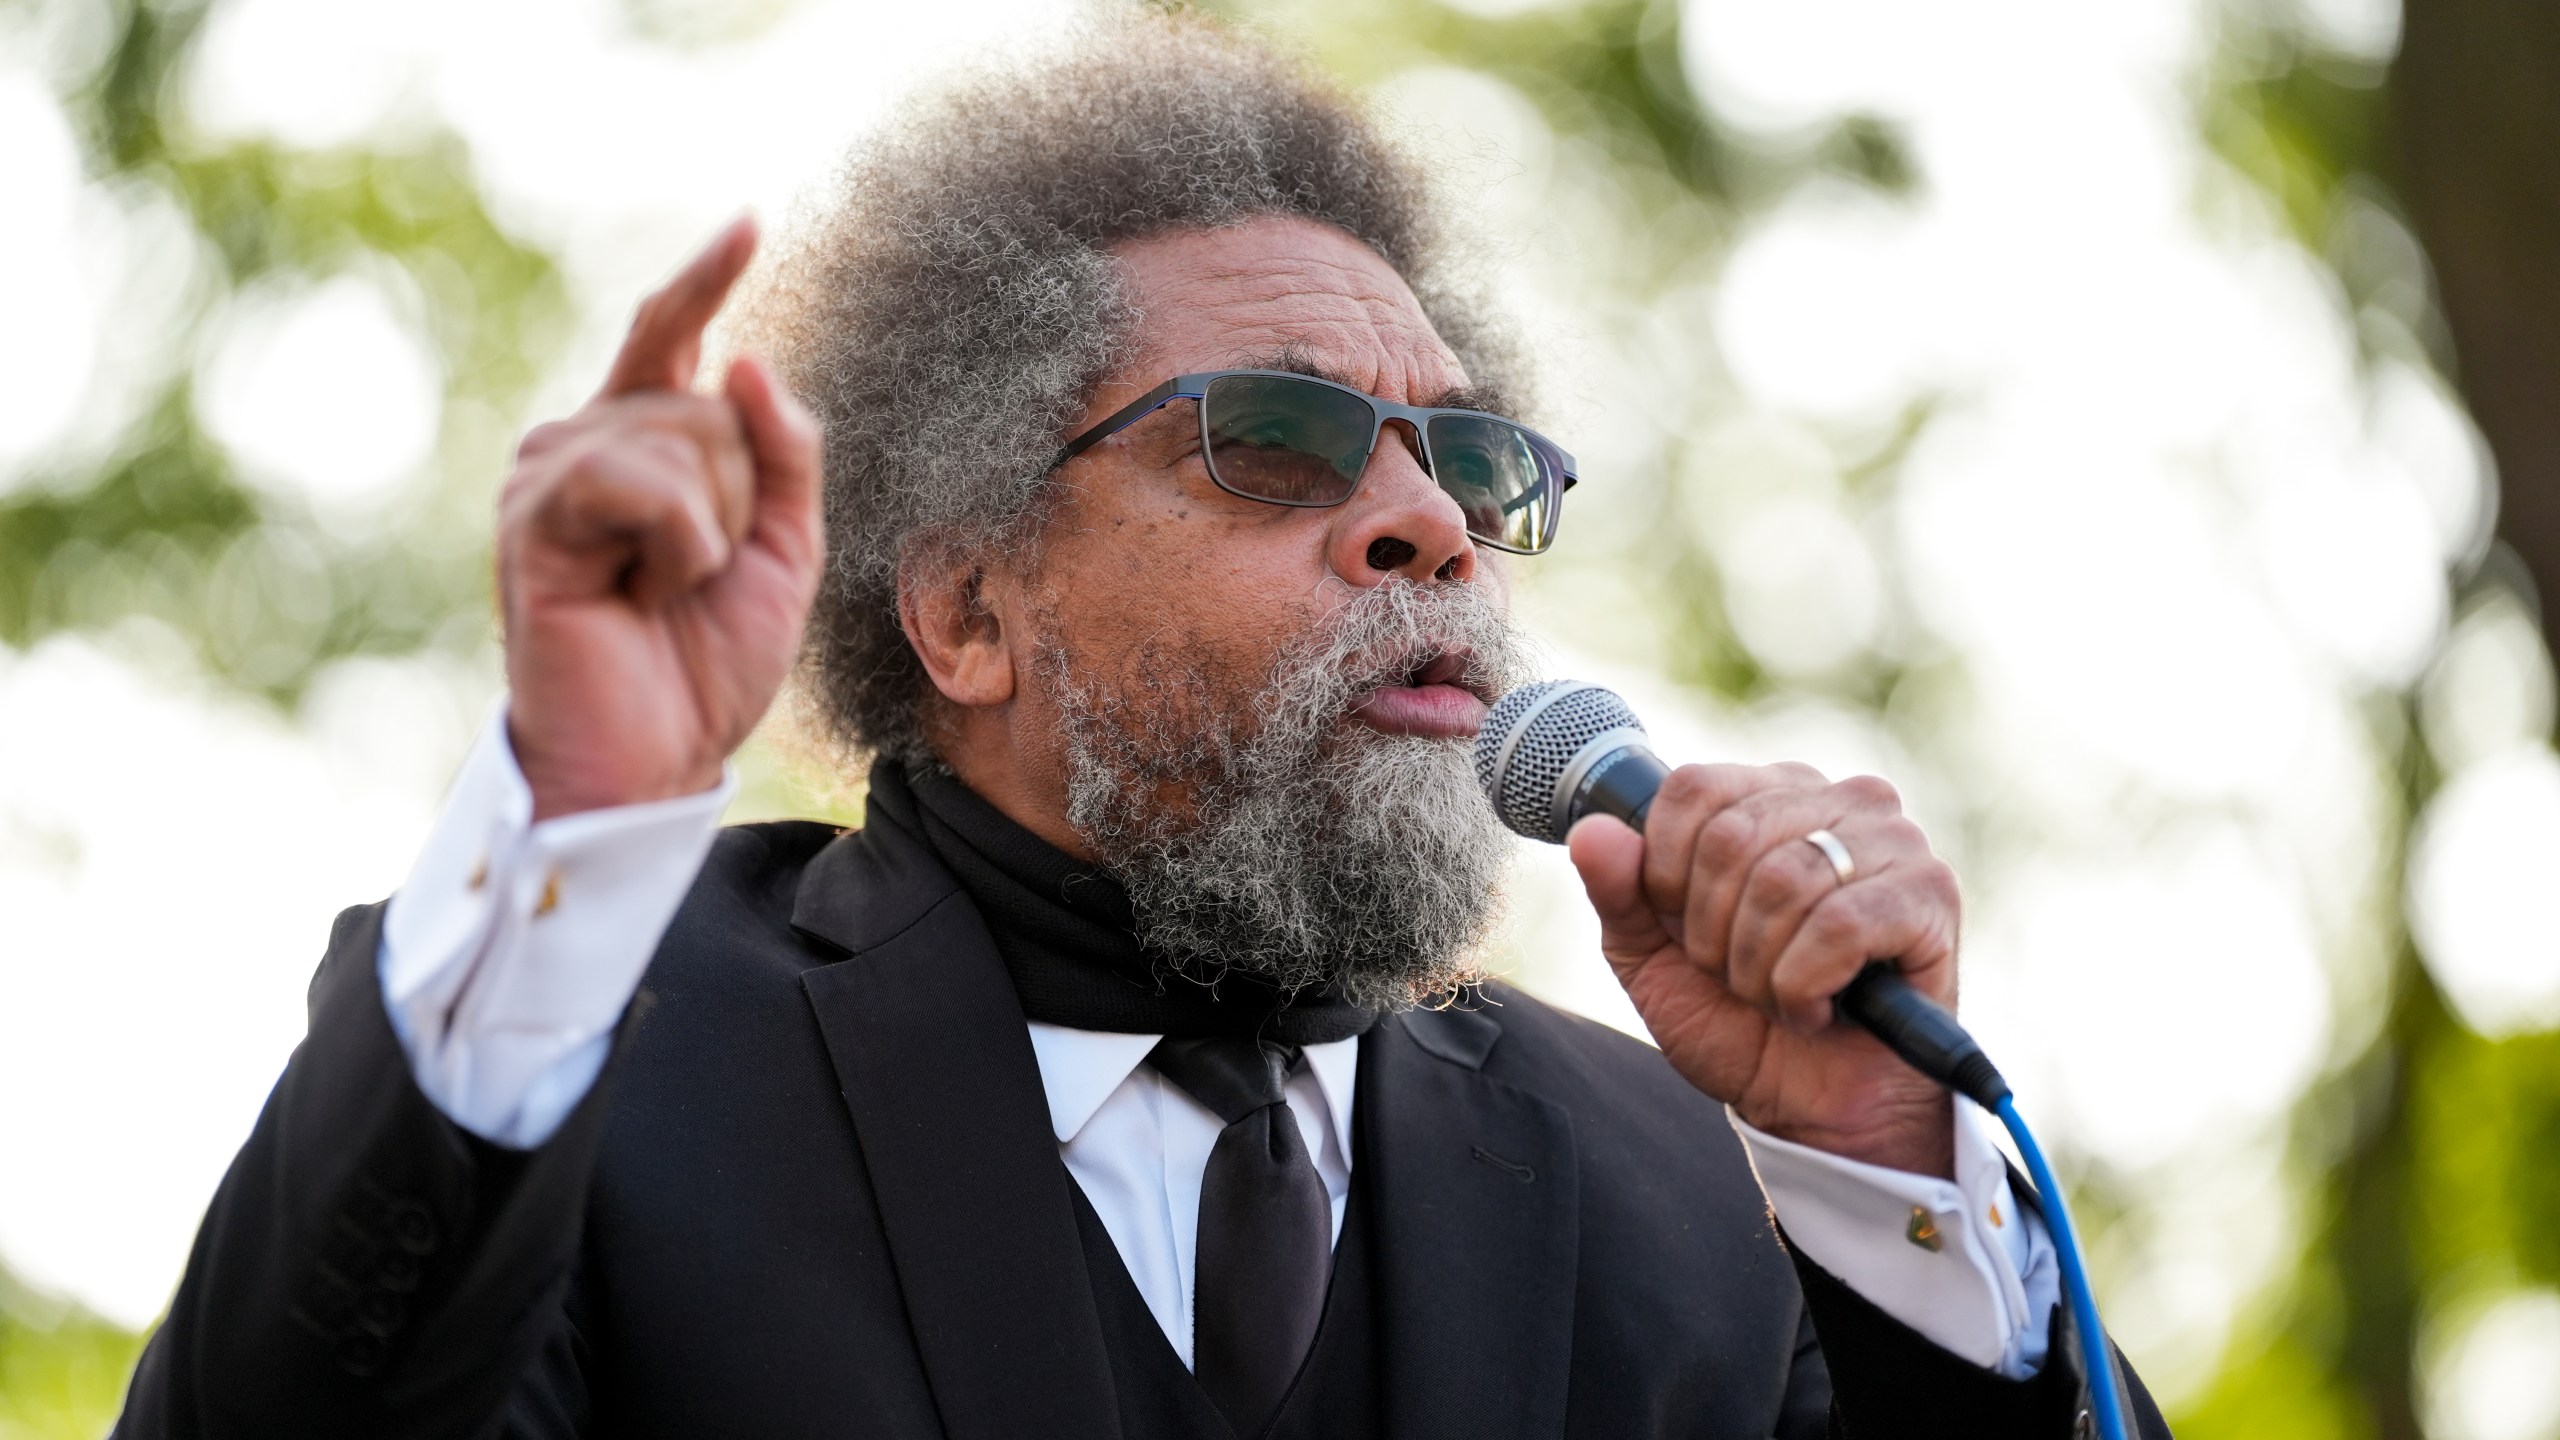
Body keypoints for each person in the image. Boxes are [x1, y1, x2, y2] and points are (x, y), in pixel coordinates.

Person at [114, 14, 2169, 1439]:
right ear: (965, 605)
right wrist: (575, 820)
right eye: (1274, 441)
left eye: (1463, 458)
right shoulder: (597, 1046)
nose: (1425, 520)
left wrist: (1888, 1164)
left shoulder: (1672, 1179)